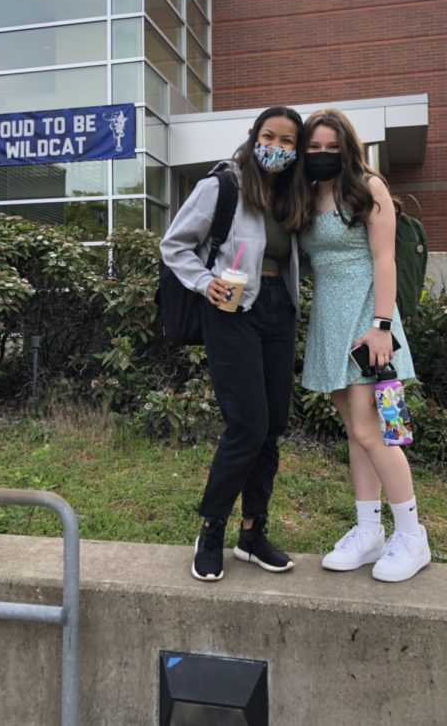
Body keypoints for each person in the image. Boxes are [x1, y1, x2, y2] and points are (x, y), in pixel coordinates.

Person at [160, 106, 310, 581]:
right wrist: (205, 282)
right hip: (230, 312)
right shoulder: (222, 185)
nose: (278, 147)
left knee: (273, 425)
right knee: (247, 424)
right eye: (270, 136)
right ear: (253, 136)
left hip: (277, 311)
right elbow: (174, 245)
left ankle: (252, 533)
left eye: (288, 141)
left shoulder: (293, 195)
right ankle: (212, 529)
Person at [300, 108, 431, 582]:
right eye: (313, 147)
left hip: (366, 323)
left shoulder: (368, 188)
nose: (322, 154)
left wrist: (381, 326)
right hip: (329, 325)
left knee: (373, 431)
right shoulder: (308, 194)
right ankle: (368, 531)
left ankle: (413, 537)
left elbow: (385, 260)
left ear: (348, 147)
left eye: (331, 146)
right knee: (357, 433)